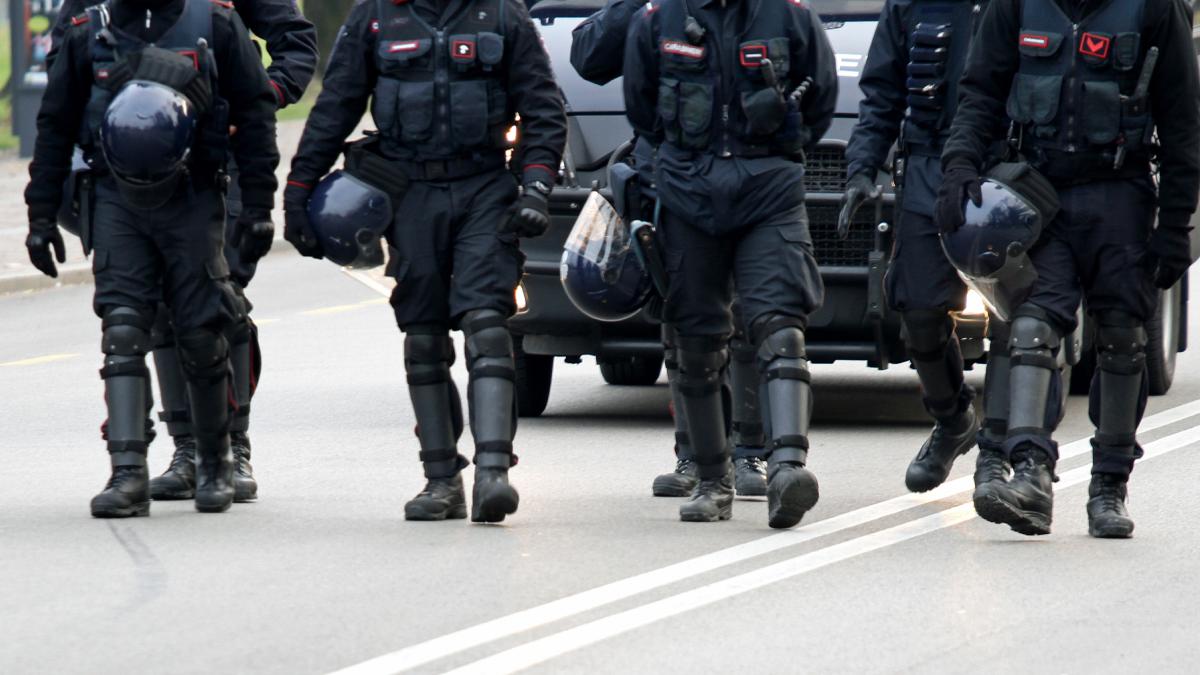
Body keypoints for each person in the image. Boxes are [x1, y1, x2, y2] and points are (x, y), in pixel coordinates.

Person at [285, 0, 567, 523]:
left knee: (486, 322)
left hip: (485, 185)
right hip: (409, 190)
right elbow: (338, 104)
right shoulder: (374, 17)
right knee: (423, 335)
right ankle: (441, 481)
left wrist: (536, 187)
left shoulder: (502, 15)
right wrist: (299, 188)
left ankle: (493, 473)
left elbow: (543, 108)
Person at [938, 0, 1200, 537]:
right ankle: (1031, 473)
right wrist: (959, 168)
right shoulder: (1016, 4)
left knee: (1123, 339)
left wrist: (1175, 225)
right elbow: (980, 92)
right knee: (1032, 327)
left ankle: (1109, 485)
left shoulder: (1152, 9)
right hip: (1039, 195)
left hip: (1119, 194)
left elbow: (1183, 121)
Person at [49, 0, 318, 504]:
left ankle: (231, 445)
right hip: (133, 165)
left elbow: (296, 45)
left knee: (218, 301)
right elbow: (65, 56)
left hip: (217, 160)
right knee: (150, 310)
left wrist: (253, 99)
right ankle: (187, 448)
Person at [624, 0, 838, 526]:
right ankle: (713, 481)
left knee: (779, 326)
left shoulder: (791, 18)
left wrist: (779, 134)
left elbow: (822, 99)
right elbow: (642, 107)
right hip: (687, 194)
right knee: (694, 340)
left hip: (768, 192)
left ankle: (788, 468)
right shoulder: (658, 19)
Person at [570, 0, 769, 499]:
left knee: (748, 316)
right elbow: (588, 57)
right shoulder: (656, 11)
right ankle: (697, 455)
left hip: (747, 177)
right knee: (682, 322)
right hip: (671, 180)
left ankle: (752, 454)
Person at [841, 0, 1011, 495]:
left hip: (1004, 168)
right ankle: (954, 418)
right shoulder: (910, 5)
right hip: (927, 171)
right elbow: (882, 93)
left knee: (1013, 324)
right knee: (917, 309)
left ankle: (996, 458)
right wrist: (862, 167)